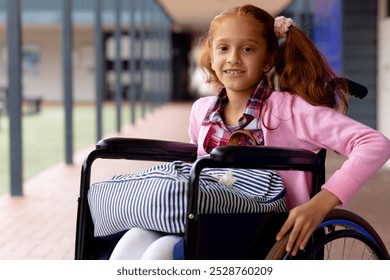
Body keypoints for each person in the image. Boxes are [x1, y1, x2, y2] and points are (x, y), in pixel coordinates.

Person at [90, 4, 390, 259]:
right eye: (223, 48)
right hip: (207, 217)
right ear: (212, 56)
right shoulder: (202, 110)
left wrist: (320, 204)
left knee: (160, 254)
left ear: (268, 59)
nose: (233, 58)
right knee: (133, 241)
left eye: (247, 49)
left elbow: (374, 143)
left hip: (268, 226)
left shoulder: (290, 110)